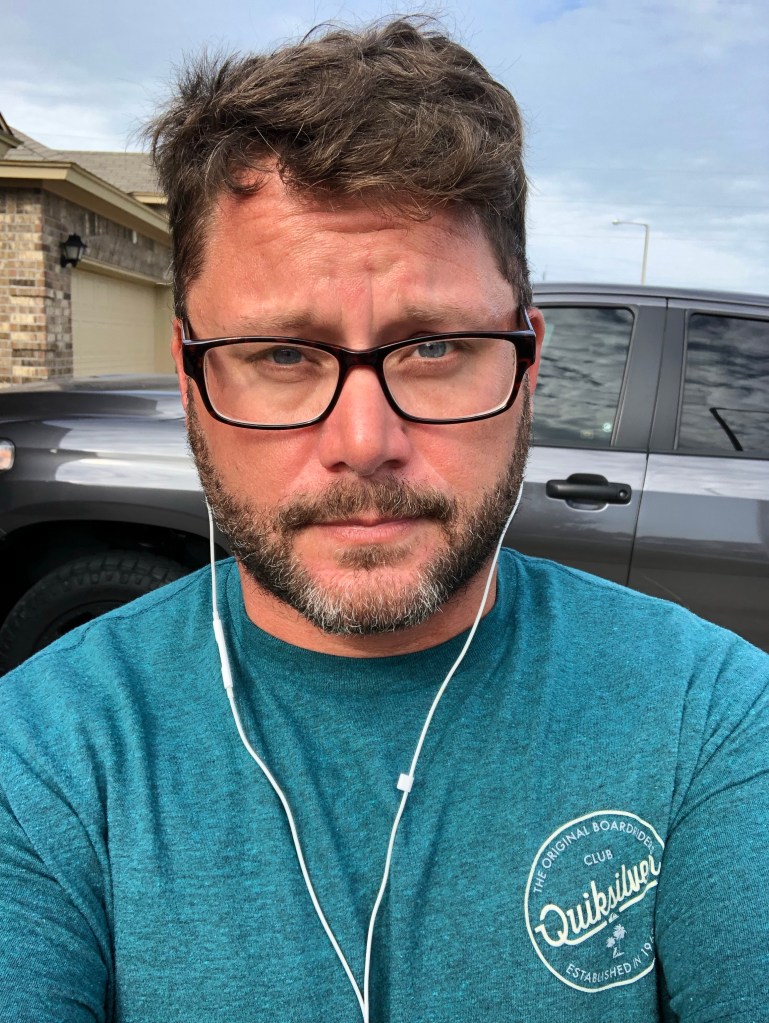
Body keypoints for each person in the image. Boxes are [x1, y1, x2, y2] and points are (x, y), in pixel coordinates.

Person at [1, 17, 767, 1023]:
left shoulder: (711, 717)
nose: (364, 441)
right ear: (190, 381)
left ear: (528, 365)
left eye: (434, 346)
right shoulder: (43, 755)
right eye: (282, 354)